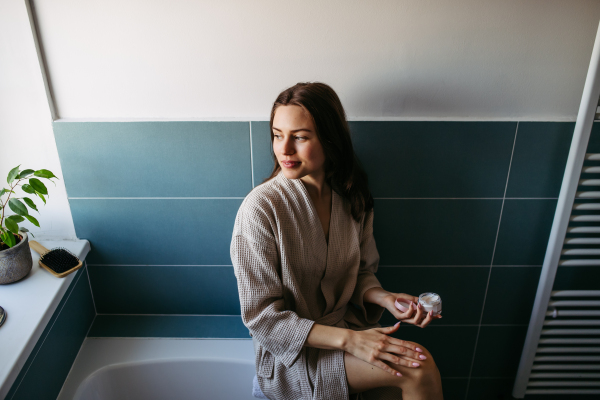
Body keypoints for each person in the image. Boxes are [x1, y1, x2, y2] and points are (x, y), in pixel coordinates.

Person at [230, 82, 443, 400]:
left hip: (345, 334)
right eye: (277, 134)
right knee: (418, 366)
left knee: (408, 372)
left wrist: (385, 298)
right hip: (293, 356)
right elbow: (262, 318)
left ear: (330, 140)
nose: (284, 149)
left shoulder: (352, 198)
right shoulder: (260, 209)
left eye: (300, 137)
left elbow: (359, 274)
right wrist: (351, 341)